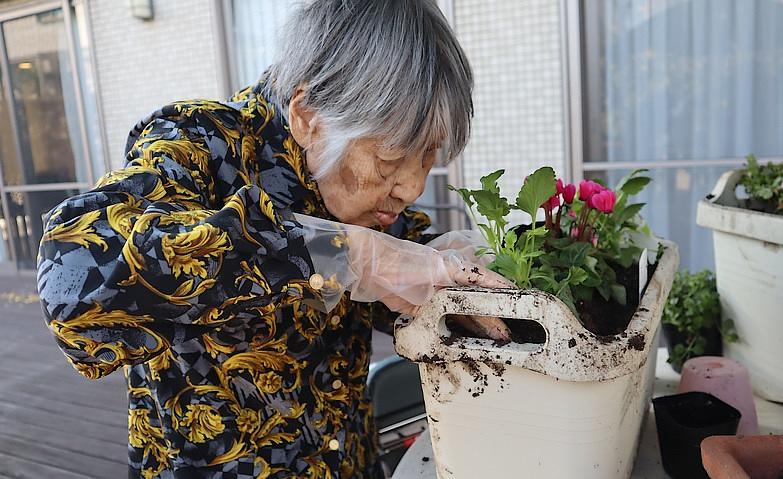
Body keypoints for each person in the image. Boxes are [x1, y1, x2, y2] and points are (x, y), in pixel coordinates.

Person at [37, 1, 512, 477]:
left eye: (427, 156)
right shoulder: (200, 144)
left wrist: (456, 277)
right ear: (308, 116)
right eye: (390, 157)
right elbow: (71, 277)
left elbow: (411, 274)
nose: (412, 188)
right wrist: (330, 254)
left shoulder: (369, 201)